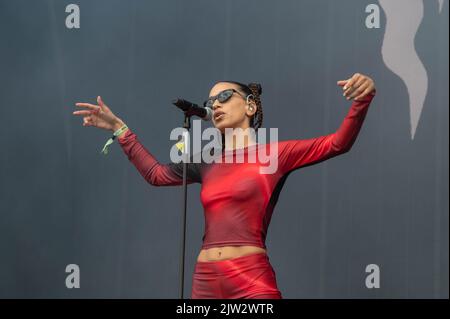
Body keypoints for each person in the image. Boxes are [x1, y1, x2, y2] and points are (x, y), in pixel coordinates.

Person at [73, 73, 376, 299]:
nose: (214, 105)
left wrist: (362, 100)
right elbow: (155, 174)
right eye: (210, 101)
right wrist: (120, 130)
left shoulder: (275, 154)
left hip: (250, 279)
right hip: (205, 279)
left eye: (224, 96)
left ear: (249, 107)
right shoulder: (207, 161)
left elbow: (338, 143)